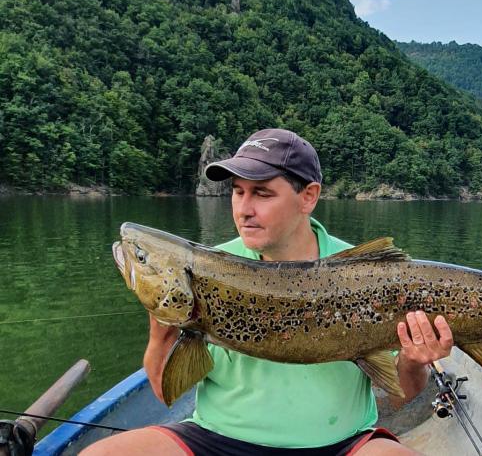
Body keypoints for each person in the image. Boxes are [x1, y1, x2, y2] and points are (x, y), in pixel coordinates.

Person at [83, 128, 454, 456]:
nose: (244, 209)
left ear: (308, 196)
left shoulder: (366, 274)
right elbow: (166, 395)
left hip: (341, 443)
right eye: (237, 192)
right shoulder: (211, 266)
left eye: (261, 193)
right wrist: (161, 326)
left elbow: (402, 395)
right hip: (218, 438)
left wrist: (413, 359)